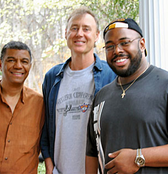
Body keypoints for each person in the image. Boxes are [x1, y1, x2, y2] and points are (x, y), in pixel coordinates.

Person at [86, 18, 168, 174]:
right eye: (110, 46)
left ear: (142, 44)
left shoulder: (165, 85)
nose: (117, 50)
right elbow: (91, 152)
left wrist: (138, 157)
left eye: (125, 42)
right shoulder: (101, 96)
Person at [40, 6, 116, 174]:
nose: (79, 34)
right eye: (74, 28)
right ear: (66, 33)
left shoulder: (111, 75)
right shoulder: (52, 77)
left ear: (96, 36)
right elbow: (45, 126)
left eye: (86, 29)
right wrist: (49, 165)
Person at [0, 41, 45, 173]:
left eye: (24, 61)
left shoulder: (40, 104)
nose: (18, 66)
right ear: (0, 64)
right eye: (11, 60)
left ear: (30, 66)